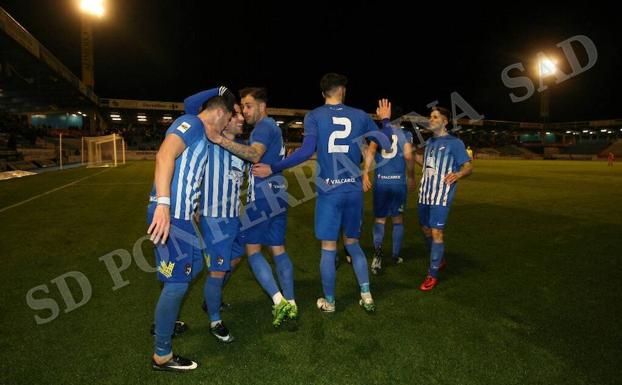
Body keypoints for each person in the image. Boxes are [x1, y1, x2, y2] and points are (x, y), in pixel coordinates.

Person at [252, 73, 393, 313]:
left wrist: (274, 167)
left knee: (329, 248)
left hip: (330, 191)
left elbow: (306, 151)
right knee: (353, 244)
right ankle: (367, 295)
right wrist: (386, 120)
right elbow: (387, 143)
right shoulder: (359, 115)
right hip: (353, 190)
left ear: (323, 93)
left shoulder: (314, 115)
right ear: (343, 91)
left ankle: (330, 301)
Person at [147, 87, 234, 371]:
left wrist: (191, 207)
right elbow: (164, 155)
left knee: (194, 266)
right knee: (177, 283)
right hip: (170, 216)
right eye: (228, 116)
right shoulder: (192, 123)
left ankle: (166, 320)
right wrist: (163, 204)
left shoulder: (202, 134)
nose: (227, 124)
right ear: (220, 112)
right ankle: (162, 354)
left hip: (183, 217)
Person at [206, 87, 296, 328]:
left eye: (247, 106)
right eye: (242, 107)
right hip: (279, 195)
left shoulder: (264, 128)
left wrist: (220, 139)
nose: (244, 112)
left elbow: (255, 155)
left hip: (263, 198)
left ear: (262, 106)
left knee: (252, 251)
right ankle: (292, 301)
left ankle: (279, 302)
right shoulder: (273, 127)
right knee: (278, 249)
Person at [184, 90, 248, 343]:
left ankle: (212, 297)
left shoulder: (241, 148)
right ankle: (214, 321)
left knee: (235, 258)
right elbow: (189, 107)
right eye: (237, 115)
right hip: (213, 217)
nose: (242, 119)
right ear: (225, 118)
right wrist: (219, 91)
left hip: (234, 216)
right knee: (218, 270)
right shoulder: (208, 139)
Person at [416, 106, 472, 291]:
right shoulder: (430, 142)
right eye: (430, 117)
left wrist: (459, 174)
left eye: (434, 117)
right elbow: (426, 164)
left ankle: (432, 274)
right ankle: (439, 258)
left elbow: (468, 167)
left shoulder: (454, 143)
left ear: (445, 121)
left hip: (441, 195)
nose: (430, 120)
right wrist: (408, 154)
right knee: (425, 229)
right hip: (425, 193)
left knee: (436, 232)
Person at [362, 121, 415, 274]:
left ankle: (377, 256)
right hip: (398, 183)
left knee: (380, 219)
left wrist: (365, 173)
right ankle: (395, 255)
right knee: (397, 219)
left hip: (381, 183)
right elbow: (408, 156)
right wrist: (411, 177)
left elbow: (371, 152)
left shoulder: (378, 134)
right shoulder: (406, 134)